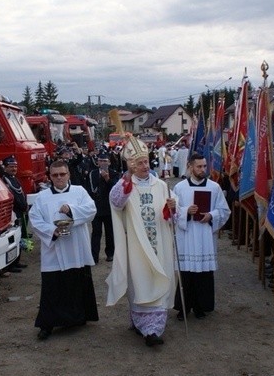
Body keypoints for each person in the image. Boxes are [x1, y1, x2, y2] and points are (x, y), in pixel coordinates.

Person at [106, 135, 178, 347]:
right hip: (136, 244)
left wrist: (172, 207)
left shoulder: (161, 185)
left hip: (160, 245)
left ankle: (153, 330)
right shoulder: (126, 185)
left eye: (146, 161)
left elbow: (173, 214)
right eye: (139, 163)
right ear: (131, 165)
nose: (145, 165)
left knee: (159, 278)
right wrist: (127, 179)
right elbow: (116, 203)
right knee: (140, 281)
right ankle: (141, 324)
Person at [29, 159, 98, 340]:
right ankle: (47, 324)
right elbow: (34, 220)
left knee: (77, 283)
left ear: (68, 174)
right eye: (55, 175)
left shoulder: (79, 191)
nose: (59, 178)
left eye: (62, 174)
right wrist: (53, 231)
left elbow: (91, 210)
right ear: (50, 177)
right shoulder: (42, 197)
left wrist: (71, 210)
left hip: (77, 247)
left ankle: (79, 317)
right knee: (53, 287)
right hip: (54, 249)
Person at [172, 153, 230, 320]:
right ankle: (183, 308)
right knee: (186, 273)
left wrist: (211, 215)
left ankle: (201, 307)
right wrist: (186, 212)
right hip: (188, 235)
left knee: (203, 273)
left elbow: (224, 210)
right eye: (199, 166)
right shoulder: (180, 188)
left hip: (205, 235)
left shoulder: (214, 187)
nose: (202, 169)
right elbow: (173, 212)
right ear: (190, 167)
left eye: (205, 166)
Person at [87, 151, 119, 264]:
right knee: (96, 232)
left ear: (109, 162)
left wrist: (107, 179)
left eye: (105, 161)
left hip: (109, 207)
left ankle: (110, 254)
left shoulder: (114, 173)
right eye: (100, 161)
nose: (103, 163)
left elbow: (116, 189)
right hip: (96, 208)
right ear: (97, 162)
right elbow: (92, 189)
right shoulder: (93, 173)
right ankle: (94, 256)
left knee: (110, 232)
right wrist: (101, 179)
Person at [0, 156, 29, 273]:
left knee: (21, 237)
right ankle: (10, 265)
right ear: (5, 167)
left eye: (15, 166)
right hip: (14, 213)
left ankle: (17, 261)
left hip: (21, 212)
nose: (14, 169)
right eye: (11, 166)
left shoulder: (14, 179)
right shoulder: (4, 180)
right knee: (13, 239)